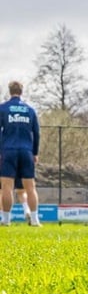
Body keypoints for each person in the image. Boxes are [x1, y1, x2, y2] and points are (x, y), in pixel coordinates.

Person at [0, 81, 40, 227]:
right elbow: (36, 133)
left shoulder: (3, 108)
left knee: (6, 187)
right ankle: (35, 220)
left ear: (10, 91)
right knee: (30, 187)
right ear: (21, 92)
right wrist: (35, 152)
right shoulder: (30, 110)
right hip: (26, 151)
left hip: (8, 150)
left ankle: (6, 220)